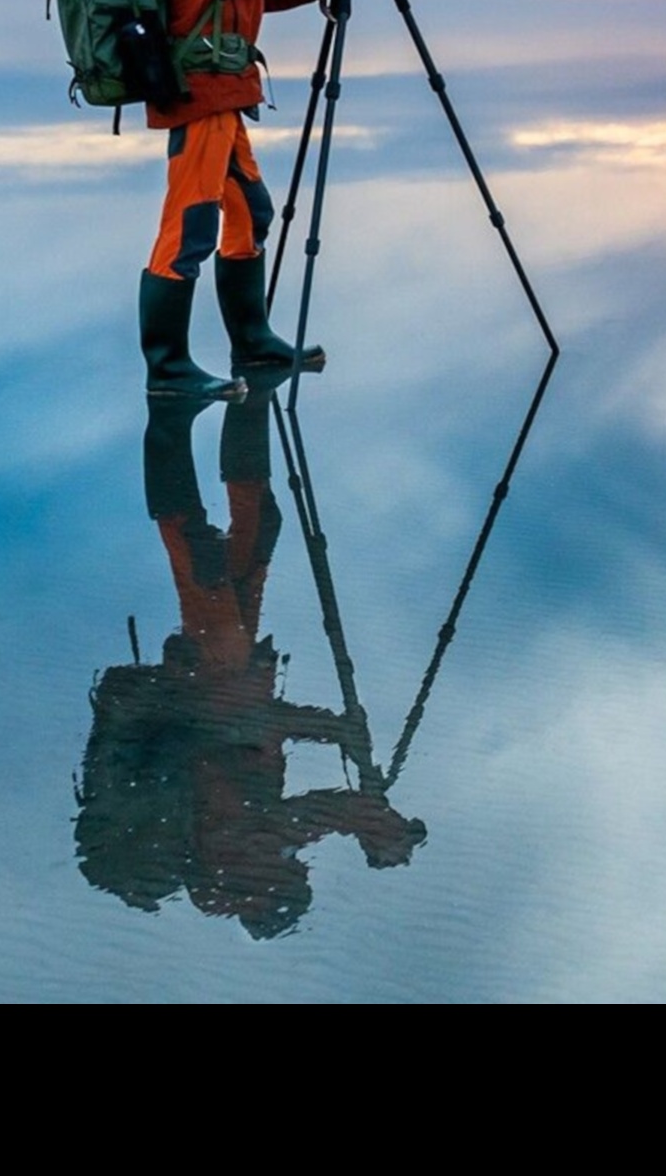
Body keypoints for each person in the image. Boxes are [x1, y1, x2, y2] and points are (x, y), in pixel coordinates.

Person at [76, 378, 427, 939]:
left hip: (211, 681)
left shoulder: (231, 859)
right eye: (295, 871)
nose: (293, 862)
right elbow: (309, 805)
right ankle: (252, 388)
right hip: (227, 679)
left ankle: (170, 410)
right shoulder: (246, 860)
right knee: (257, 529)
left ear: (263, 894)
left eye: (289, 877)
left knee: (202, 553)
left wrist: (357, 778)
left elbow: (278, 761)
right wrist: (346, 759)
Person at [138, 0, 395, 398]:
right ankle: (167, 369)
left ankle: (252, 345)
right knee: (190, 224)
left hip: (221, 90)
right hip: (200, 93)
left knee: (248, 213)